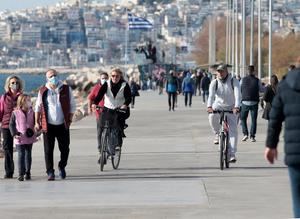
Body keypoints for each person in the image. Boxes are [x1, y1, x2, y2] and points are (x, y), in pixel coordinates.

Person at [264, 61, 300, 217]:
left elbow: (275, 118)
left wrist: (271, 145)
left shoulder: (286, 85)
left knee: (298, 200)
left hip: (295, 153)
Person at [34, 69, 76, 181]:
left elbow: (72, 105)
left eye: (55, 75)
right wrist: (36, 122)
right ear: (47, 78)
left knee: (65, 149)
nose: (54, 77)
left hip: (62, 124)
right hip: (48, 125)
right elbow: (37, 107)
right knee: (48, 150)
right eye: (51, 76)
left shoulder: (66, 89)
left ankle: (62, 166)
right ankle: (50, 172)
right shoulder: (43, 91)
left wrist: (70, 119)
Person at [207, 64, 241, 162]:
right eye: (219, 71)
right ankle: (217, 133)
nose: (220, 73)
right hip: (218, 106)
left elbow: (238, 95)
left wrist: (237, 107)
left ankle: (232, 154)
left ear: (226, 71)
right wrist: (209, 106)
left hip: (231, 107)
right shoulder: (214, 82)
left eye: (222, 71)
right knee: (212, 116)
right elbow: (211, 96)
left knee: (233, 131)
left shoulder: (233, 81)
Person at [93, 68, 131, 152]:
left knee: (117, 126)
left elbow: (129, 97)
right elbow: (100, 94)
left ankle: (118, 145)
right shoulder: (106, 84)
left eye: (117, 76)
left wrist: (125, 105)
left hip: (119, 109)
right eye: (113, 76)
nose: (115, 78)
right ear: (111, 76)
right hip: (108, 108)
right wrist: (95, 103)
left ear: (120, 76)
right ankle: (103, 146)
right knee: (103, 124)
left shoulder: (124, 85)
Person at [0, 75, 24, 179]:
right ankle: (9, 171)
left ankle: (23, 171)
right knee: (7, 149)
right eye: (12, 83)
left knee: (22, 149)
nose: (15, 84)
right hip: (6, 125)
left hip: (19, 126)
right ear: (8, 85)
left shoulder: (22, 96)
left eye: (16, 83)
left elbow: (28, 110)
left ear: (19, 84)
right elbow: (1, 111)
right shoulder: (4, 97)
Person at [9, 94, 37, 181]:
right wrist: (14, 134)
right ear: (21, 102)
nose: (29, 102)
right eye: (26, 100)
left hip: (29, 137)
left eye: (29, 100)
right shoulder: (15, 112)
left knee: (28, 155)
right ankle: (21, 173)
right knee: (21, 155)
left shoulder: (32, 112)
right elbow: (11, 124)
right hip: (19, 137)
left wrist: (37, 130)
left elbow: (36, 123)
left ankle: (28, 172)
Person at [240, 65, 264, 142]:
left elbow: (240, 89)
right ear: (254, 71)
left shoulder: (242, 80)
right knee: (254, 120)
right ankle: (252, 136)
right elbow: (261, 90)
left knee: (243, 119)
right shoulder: (257, 80)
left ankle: (245, 134)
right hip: (254, 102)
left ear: (247, 71)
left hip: (244, 102)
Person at [88, 72, 109, 156]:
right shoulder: (96, 87)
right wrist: (90, 108)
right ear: (100, 79)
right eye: (102, 78)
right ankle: (100, 148)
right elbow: (90, 98)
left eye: (106, 78)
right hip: (99, 112)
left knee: (110, 130)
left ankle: (111, 146)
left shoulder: (111, 87)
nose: (104, 79)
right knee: (99, 131)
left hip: (109, 111)